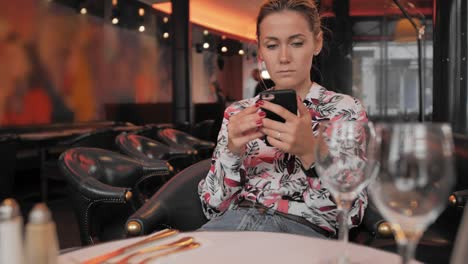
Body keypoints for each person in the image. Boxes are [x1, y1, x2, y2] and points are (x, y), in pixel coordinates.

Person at [198, 0, 368, 238]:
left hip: (301, 233)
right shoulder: (238, 113)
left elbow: (350, 215)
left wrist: (311, 152)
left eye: (297, 43)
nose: (284, 57)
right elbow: (212, 208)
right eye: (272, 45)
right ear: (260, 50)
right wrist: (232, 151)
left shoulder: (344, 110)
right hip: (230, 227)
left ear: (317, 43)